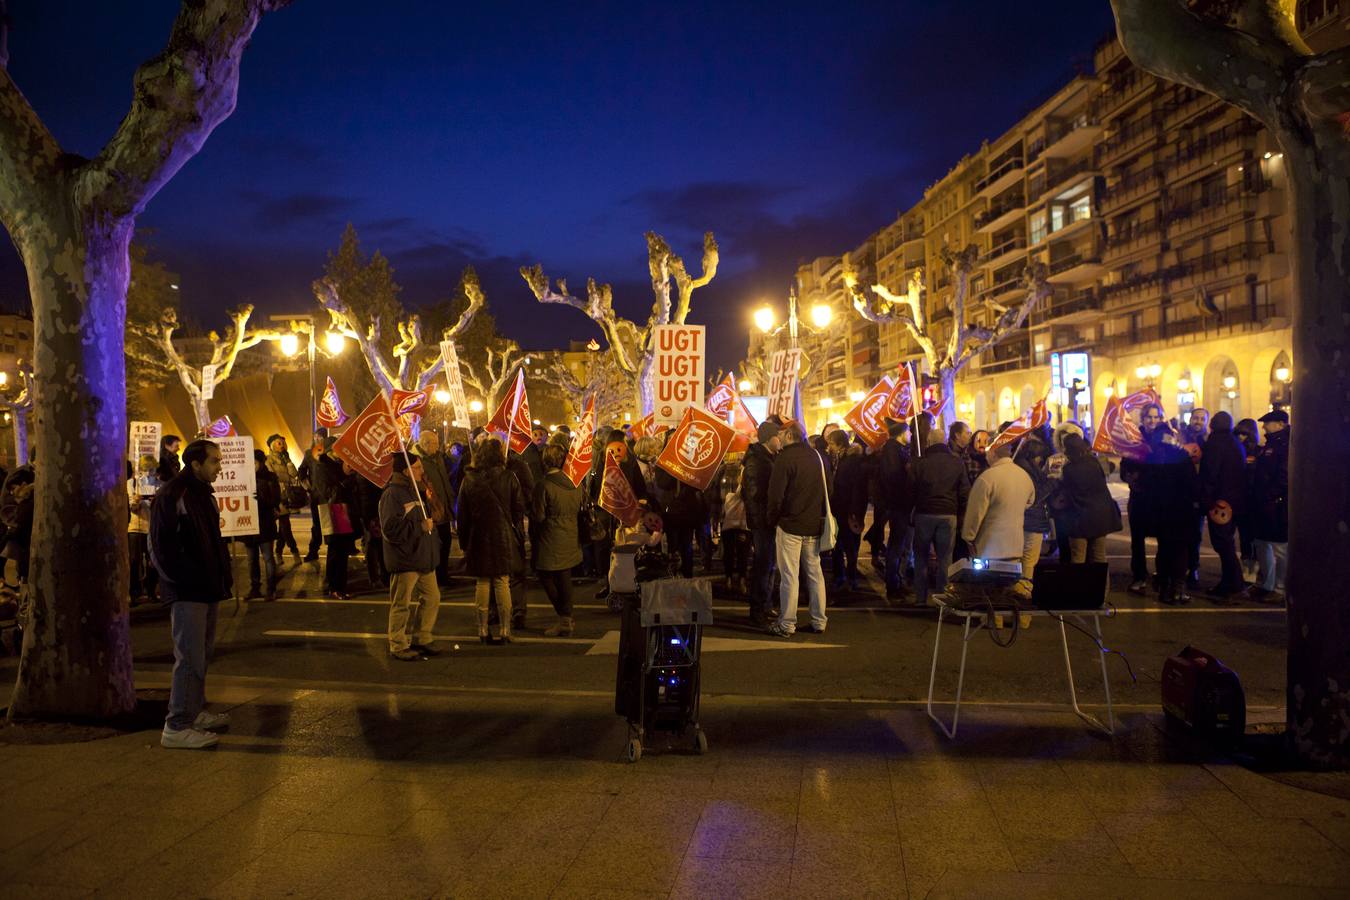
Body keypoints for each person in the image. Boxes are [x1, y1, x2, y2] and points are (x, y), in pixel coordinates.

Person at [149, 439, 232, 750]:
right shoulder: (172, 495)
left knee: (201, 655)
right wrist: (182, 581)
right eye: (213, 461)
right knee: (189, 658)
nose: (219, 466)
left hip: (206, 587)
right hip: (188, 590)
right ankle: (177, 725)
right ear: (195, 464)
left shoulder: (203, 495)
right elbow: (161, 547)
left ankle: (193, 712)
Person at [458, 436, 525, 643]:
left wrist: (463, 541)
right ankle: (505, 631)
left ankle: (482, 630)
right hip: (503, 535)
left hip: (478, 535)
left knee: (482, 583)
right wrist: (519, 535)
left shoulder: (469, 479)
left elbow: (462, 514)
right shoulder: (508, 477)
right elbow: (518, 509)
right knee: (502, 582)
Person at [765, 420, 829, 637]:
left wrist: (772, 519)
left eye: (781, 432)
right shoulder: (816, 457)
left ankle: (787, 624)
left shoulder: (785, 459)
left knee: (790, 577)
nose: (779, 436)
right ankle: (819, 620)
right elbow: (828, 489)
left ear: (790, 435)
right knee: (814, 574)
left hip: (790, 525)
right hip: (813, 524)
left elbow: (775, 496)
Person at [378, 453, 443, 660]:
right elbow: (390, 529)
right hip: (406, 558)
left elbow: (435, 517)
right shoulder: (393, 494)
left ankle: (422, 637)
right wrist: (420, 527)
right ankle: (397, 644)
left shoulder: (417, 490)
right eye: (417, 468)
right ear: (406, 471)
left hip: (423, 555)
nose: (422, 471)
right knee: (401, 603)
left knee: (432, 598)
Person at [909, 413, 970, 607]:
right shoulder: (956, 462)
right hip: (948, 514)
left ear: (928, 442)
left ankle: (920, 597)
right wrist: (960, 513)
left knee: (921, 556)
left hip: (924, 513)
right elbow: (964, 491)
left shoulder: (920, 464)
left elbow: (911, 488)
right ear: (944, 441)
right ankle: (943, 597)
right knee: (945, 558)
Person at [532, 443, 582, 637]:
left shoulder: (544, 485)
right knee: (564, 577)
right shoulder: (574, 483)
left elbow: (538, 515)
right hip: (571, 533)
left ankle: (564, 618)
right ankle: (566, 618)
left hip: (550, 536)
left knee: (545, 576)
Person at [1199, 411, 1248, 601]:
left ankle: (1234, 585)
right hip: (1234, 500)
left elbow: (1210, 474)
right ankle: (1229, 583)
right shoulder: (1235, 443)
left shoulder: (1215, 444)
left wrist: (1205, 500)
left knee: (1223, 544)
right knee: (1226, 543)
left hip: (1220, 503)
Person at [959, 441, 1034, 565]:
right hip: (1015, 546)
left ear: (994, 454)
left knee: (988, 582)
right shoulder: (1024, 476)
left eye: (988, 453)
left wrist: (968, 537)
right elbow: (1030, 501)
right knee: (1009, 581)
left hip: (989, 548)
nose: (986, 457)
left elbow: (976, 512)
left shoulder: (987, 478)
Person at [1058, 434, 1122, 564]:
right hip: (1100, 517)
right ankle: (1102, 584)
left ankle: (1080, 585)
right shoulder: (1095, 463)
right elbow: (1110, 467)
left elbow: (1065, 490)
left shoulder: (1069, 469)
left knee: (1078, 558)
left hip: (1079, 520)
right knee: (1099, 557)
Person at [1120, 407, 1163, 593]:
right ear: (1143, 419)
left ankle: (1162, 574)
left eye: (1155, 417)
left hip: (1161, 499)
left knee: (1164, 539)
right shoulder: (1134, 439)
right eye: (1149, 417)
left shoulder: (1166, 438)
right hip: (1139, 497)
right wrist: (1131, 478)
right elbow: (1124, 468)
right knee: (1137, 541)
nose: (1152, 421)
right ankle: (1139, 575)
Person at [1248, 409, 1289, 604]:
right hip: (1263, 502)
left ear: (1280, 424)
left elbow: (1284, 476)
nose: (1264, 426)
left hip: (1276, 503)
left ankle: (1280, 589)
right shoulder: (1270, 445)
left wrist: (1272, 496)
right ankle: (1266, 584)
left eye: (1268, 423)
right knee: (1262, 543)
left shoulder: (1285, 445)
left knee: (1280, 547)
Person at [742, 421, 780, 626]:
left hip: (768, 520)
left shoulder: (768, 457)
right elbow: (753, 495)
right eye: (777, 436)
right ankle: (757, 608)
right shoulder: (756, 460)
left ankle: (765, 605)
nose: (780, 439)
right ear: (769, 438)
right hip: (762, 521)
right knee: (762, 565)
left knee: (769, 564)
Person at [826, 430, 868, 592]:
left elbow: (856, 489)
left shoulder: (852, 461)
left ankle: (848, 577)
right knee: (841, 546)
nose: (829, 447)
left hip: (847, 512)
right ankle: (844, 577)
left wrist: (854, 511)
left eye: (831, 443)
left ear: (839, 444)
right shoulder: (841, 459)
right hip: (841, 510)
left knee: (847, 546)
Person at [1013, 434, 1052, 599]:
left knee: (1016, 561)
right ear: (1035, 457)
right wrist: (1052, 482)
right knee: (1028, 562)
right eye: (1040, 459)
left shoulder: (1018, 466)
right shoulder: (1028, 471)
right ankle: (1023, 604)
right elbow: (1035, 496)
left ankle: (1014, 599)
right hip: (1032, 521)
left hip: (1020, 520)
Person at [414, 431, 456, 585]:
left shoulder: (438, 458)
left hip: (443, 508)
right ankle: (436, 578)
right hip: (432, 511)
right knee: (435, 546)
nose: (438, 447)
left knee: (446, 543)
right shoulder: (418, 461)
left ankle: (443, 574)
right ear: (425, 444)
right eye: (435, 444)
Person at [879, 421, 914, 598]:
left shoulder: (894, 449)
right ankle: (893, 584)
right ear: (901, 433)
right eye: (908, 432)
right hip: (899, 505)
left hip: (898, 504)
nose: (911, 435)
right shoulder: (893, 450)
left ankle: (896, 581)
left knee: (899, 545)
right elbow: (894, 479)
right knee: (896, 546)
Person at [244, 449, 281, 601]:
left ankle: (271, 589)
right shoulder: (244, 478)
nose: (252, 466)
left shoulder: (270, 478)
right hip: (248, 524)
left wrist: (260, 498)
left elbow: (275, 500)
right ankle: (255, 588)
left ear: (261, 462)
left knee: (268, 558)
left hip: (265, 523)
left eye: (255, 463)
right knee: (251, 560)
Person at [324, 459, 361, 600]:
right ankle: (334, 587)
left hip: (347, 517)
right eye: (348, 464)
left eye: (353, 464)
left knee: (343, 554)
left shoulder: (353, 479)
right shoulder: (332, 475)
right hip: (336, 514)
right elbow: (327, 493)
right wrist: (343, 485)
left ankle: (341, 587)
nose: (351, 467)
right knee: (336, 553)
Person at [128, 454, 161, 605]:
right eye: (145, 470)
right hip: (135, 527)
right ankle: (134, 593)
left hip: (152, 528)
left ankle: (151, 591)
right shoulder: (131, 484)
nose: (148, 473)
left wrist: (156, 502)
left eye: (152, 470)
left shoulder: (160, 485)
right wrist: (135, 501)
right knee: (134, 561)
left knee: (153, 561)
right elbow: (130, 508)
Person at [264, 434, 302, 562]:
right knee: (285, 526)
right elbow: (271, 478)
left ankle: (278, 552)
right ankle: (294, 551)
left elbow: (294, 475)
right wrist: (281, 485)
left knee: (283, 528)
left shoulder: (286, 458)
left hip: (288, 496)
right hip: (277, 496)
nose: (281, 445)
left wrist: (289, 463)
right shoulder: (268, 460)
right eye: (278, 443)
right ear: (272, 445)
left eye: (282, 443)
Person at [1233, 417, 1261, 580]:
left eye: (1244, 434)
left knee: (1254, 536)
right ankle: (1246, 567)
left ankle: (1255, 567)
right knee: (1244, 535)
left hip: (1254, 500)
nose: (1241, 437)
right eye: (1239, 434)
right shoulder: (1235, 450)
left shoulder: (1258, 452)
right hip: (1240, 499)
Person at [720, 462, 750, 595]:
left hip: (727, 524)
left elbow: (721, 500)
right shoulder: (744, 488)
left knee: (729, 553)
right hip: (743, 525)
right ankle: (742, 580)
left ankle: (728, 579)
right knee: (743, 554)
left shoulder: (723, 483)